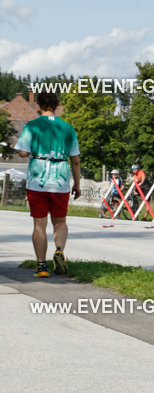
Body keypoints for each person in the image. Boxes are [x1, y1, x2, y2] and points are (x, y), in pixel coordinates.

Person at [14, 90, 80, 277]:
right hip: (60, 180)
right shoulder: (68, 128)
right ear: (57, 105)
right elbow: (75, 160)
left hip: (37, 181)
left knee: (39, 225)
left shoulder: (32, 126)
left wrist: (33, 148)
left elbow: (22, 152)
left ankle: (42, 268)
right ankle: (59, 250)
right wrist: (77, 184)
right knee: (60, 222)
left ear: (39, 105)